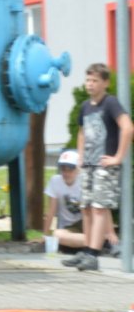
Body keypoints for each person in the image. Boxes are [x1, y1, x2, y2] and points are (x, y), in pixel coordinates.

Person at [68, 62, 131, 272]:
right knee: (86, 208)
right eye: (88, 80)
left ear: (105, 83)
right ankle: (86, 250)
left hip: (104, 166)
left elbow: (127, 127)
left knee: (99, 208)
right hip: (89, 165)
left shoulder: (110, 103)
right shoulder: (86, 106)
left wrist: (118, 157)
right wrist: (80, 156)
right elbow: (82, 132)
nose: (90, 84)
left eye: (95, 80)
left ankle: (94, 255)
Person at [45, 150, 98, 261]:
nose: (66, 173)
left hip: (84, 224)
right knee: (57, 234)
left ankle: (93, 242)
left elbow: (91, 212)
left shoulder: (84, 181)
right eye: (63, 169)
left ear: (78, 169)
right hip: (67, 229)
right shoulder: (55, 181)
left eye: (70, 169)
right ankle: (95, 242)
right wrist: (45, 235)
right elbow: (51, 211)